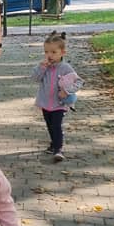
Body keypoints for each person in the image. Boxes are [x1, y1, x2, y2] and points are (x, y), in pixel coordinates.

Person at [31, 31, 83, 162]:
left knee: (56, 125)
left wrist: (67, 90)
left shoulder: (66, 68)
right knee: (50, 125)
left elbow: (79, 82)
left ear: (62, 53)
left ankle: (58, 149)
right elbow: (35, 78)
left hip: (59, 104)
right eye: (46, 52)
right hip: (45, 103)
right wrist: (42, 67)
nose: (49, 55)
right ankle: (53, 143)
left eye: (53, 52)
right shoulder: (44, 66)